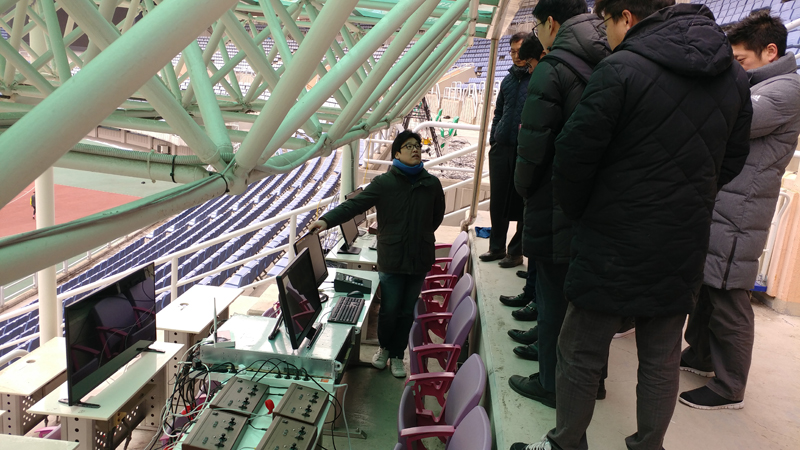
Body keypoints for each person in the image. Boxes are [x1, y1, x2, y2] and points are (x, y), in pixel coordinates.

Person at [512, 0, 752, 449]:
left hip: (612, 236)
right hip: (683, 238)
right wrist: (688, 200)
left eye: (605, 20)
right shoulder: (734, 76)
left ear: (626, 15)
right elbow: (734, 158)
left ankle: (565, 443)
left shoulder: (621, 68)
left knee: (580, 348)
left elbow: (574, 155)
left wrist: (582, 212)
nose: (604, 32)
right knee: (660, 357)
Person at [680, 11, 800, 411]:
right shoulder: (757, 83)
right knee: (708, 285)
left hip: (742, 211)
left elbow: (730, 120)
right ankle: (700, 355)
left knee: (729, 294)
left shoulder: (786, 90)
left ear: (770, 51)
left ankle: (730, 387)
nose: (735, 67)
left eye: (740, 60)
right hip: (725, 202)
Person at [507, 0, 610, 409]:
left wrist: (524, 188)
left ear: (551, 23)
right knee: (586, 302)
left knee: (552, 297)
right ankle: (593, 381)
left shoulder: (553, 67)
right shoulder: (613, 56)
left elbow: (533, 144)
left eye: (538, 26)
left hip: (555, 198)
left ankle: (550, 383)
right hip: (597, 202)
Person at [308, 130, 445, 378]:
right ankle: (384, 348)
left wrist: (420, 236)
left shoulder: (431, 184)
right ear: (397, 153)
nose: (415, 149)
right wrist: (326, 221)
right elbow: (354, 205)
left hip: (419, 258)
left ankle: (397, 355)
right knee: (389, 309)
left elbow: (436, 217)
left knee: (407, 310)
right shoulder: (384, 183)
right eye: (409, 146)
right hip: (392, 258)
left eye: (417, 145)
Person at [480, 32, 542, 270]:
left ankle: (516, 252)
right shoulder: (507, 80)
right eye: (513, 51)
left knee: (522, 202)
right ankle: (497, 247)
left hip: (523, 150)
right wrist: (494, 138)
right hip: (501, 148)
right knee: (498, 201)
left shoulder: (537, 78)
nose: (516, 56)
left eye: (520, 51)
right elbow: (498, 112)